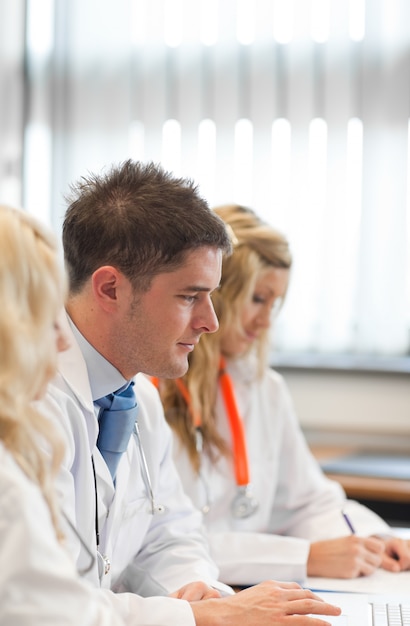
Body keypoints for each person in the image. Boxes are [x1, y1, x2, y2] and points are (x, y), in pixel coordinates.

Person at [35, 162, 341, 626]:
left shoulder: (138, 398)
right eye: (189, 296)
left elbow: (172, 534)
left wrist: (204, 590)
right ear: (111, 288)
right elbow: (41, 604)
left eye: (212, 295)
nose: (210, 321)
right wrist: (208, 618)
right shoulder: (29, 403)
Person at [155, 203, 410, 588]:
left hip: (251, 588)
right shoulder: (148, 389)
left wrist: (374, 538)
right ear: (217, 292)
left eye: (275, 304)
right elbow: (165, 542)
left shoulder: (264, 388)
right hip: (186, 594)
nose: (266, 320)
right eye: (258, 299)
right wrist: (302, 557)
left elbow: (309, 500)